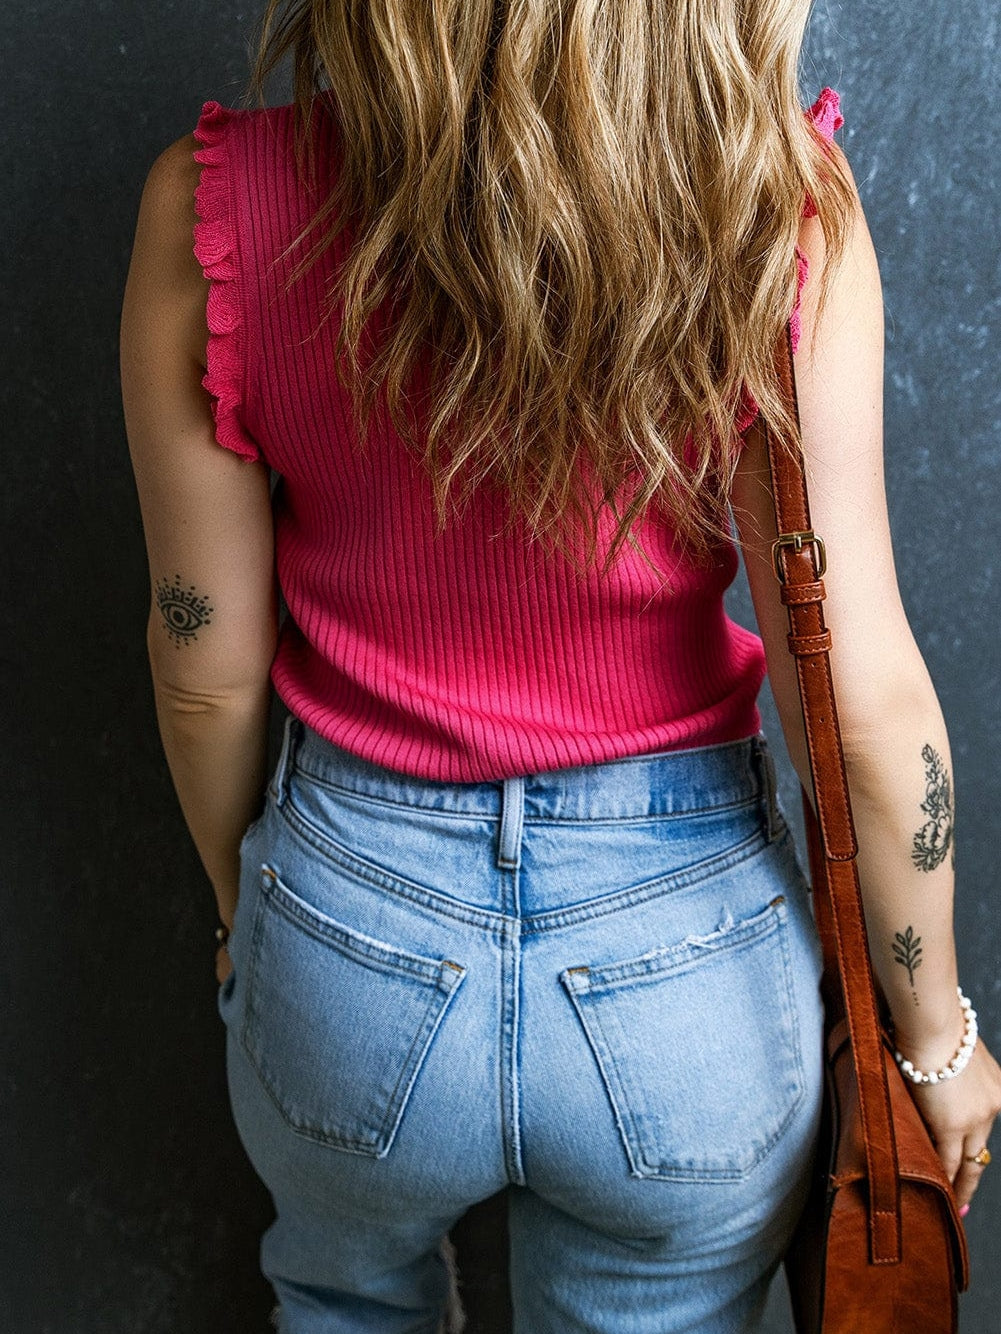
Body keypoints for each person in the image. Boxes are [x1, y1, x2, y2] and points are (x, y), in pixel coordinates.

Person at [119, 1, 1001, 1330]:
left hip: (350, 933)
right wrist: (934, 1036)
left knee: (340, 1302)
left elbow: (203, 669)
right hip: (685, 969)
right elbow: (862, 702)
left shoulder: (213, 204)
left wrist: (259, 919)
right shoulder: (782, 208)